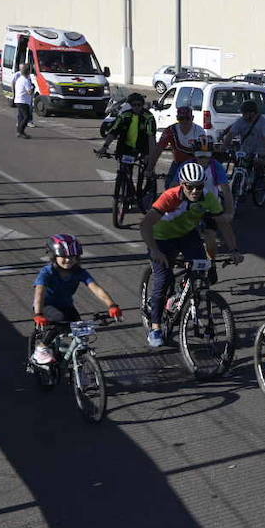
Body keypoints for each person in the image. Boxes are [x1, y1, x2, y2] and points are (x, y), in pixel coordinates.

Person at [139, 162, 239, 349]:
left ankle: (182, 296)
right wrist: (154, 250)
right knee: (164, 278)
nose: (194, 191)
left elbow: (223, 224)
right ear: (182, 184)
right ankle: (155, 328)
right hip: (162, 238)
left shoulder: (208, 198)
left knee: (202, 271)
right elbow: (145, 225)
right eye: (189, 186)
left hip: (187, 235)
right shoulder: (170, 197)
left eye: (199, 186)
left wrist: (233, 250)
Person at [29, 234, 123, 366]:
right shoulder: (47, 272)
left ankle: (79, 365)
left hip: (67, 306)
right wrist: (38, 314)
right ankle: (41, 349)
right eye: (64, 257)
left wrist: (112, 305)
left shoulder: (79, 272)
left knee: (81, 329)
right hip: (45, 306)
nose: (68, 260)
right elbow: (39, 293)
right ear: (54, 256)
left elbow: (96, 288)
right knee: (59, 320)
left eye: (72, 257)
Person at [215, 99, 265, 180]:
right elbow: (231, 133)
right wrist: (224, 147)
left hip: (261, 149)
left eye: (245, 113)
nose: (243, 115)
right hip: (246, 149)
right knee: (237, 161)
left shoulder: (263, 123)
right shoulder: (241, 121)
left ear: (252, 113)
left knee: (257, 164)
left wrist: (263, 152)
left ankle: (261, 179)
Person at [151, 106, 206, 182]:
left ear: (192, 118)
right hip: (178, 163)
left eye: (187, 118)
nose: (184, 121)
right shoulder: (170, 131)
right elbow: (158, 149)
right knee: (169, 185)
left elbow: (204, 152)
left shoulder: (199, 131)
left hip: (195, 163)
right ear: (177, 118)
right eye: (181, 119)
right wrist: (150, 168)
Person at [96, 92, 155, 160]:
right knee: (123, 168)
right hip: (125, 147)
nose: (136, 107)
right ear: (130, 105)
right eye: (134, 105)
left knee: (148, 166)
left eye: (139, 105)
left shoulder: (148, 117)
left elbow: (151, 136)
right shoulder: (124, 115)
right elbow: (114, 131)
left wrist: (151, 154)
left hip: (143, 147)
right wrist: (105, 147)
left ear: (142, 105)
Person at [13, 62, 36, 138]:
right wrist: (33, 87)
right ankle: (21, 131)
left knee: (21, 116)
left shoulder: (19, 79)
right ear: (28, 72)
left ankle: (18, 131)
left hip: (18, 100)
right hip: (23, 101)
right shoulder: (25, 80)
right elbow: (29, 92)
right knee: (26, 117)